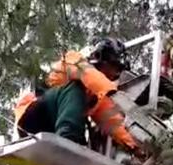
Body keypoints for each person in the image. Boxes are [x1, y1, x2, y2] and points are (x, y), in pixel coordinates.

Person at [13, 37, 142, 154]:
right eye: (114, 66)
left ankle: (70, 144)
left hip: (52, 127)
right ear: (101, 59)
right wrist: (117, 95)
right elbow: (88, 75)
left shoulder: (98, 95)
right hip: (33, 113)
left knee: (94, 107)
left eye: (118, 69)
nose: (115, 73)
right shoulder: (74, 60)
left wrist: (136, 146)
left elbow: (114, 123)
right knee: (77, 88)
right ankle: (69, 140)